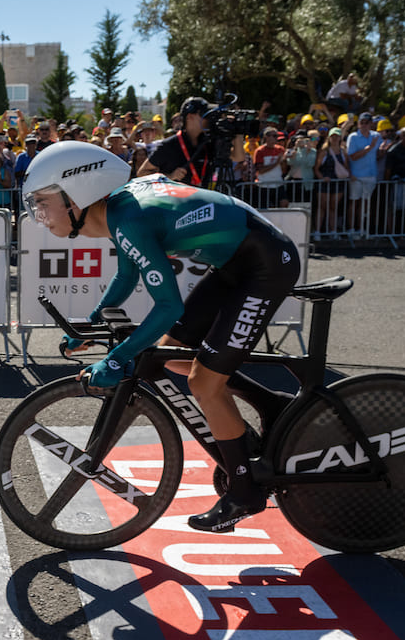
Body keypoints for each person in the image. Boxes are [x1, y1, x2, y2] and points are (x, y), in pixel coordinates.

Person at [21, 141, 300, 533]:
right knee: (169, 355)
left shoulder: (127, 218)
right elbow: (127, 275)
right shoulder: (119, 209)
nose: (40, 216)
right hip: (238, 261)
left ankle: (245, 492)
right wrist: (92, 324)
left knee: (204, 381)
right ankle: (272, 405)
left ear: (77, 195)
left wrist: (116, 358)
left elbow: (169, 307)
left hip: (265, 265)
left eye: (43, 203)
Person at [138, 97, 223, 187]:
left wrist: (237, 130)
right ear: (190, 117)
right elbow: (142, 173)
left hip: (203, 199)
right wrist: (170, 176)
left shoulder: (208, 142)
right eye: (204, 114)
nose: (208, 118)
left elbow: (238, 157)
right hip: (175, 199)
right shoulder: (169, 145)